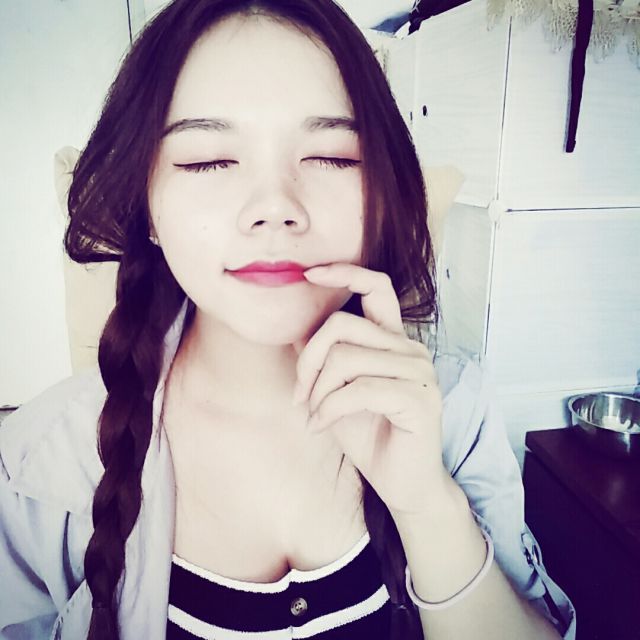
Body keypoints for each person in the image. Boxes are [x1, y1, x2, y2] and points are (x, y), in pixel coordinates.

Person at [0, 1, 576, 638]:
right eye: (208, 160)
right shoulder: (37, 466)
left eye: (332, 155)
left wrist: (427, 505)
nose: (275, 207)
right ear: (147, 208)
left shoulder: (452, 409)